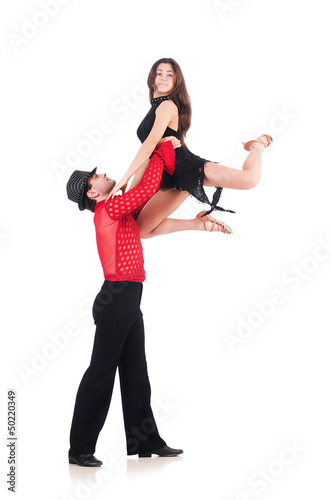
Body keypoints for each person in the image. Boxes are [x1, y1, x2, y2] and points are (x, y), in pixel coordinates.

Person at [66, 140, 183, 466]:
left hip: (128, 299)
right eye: (96, 176)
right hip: (116, 299)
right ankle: (80, 449)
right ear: (93, 193)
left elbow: (142, 194)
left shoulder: (117, 209)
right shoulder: (108, 209)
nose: (103, 173)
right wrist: (160, 149)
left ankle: (146, 441)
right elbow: (145, 188)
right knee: (101, 373)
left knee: (136, 372)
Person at [109, 57, 273, 239]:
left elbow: (148, 146)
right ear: (152, 79)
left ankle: (257, 146)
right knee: (142, 230)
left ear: (176, 81)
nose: (163, 77)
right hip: (170, 178)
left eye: (169, 74)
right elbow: (148, 155)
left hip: (186, 167)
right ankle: (199, 223)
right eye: (159, 73)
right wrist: (130, 192)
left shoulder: (167, 105)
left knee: (249, 180)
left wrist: (124, 179)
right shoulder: (154, 107)